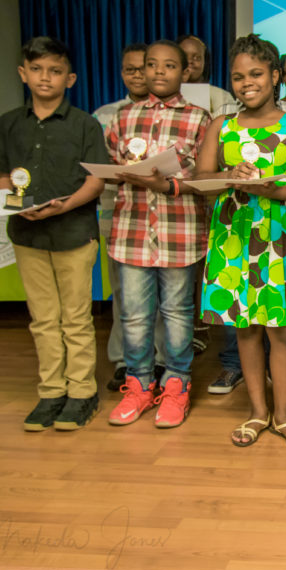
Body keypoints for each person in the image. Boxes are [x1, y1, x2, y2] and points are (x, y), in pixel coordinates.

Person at [0, 36, 107, 431]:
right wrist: (15, 204)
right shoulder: (7, 124)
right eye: (36, 69)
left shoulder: (86, 125)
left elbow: (96, 181)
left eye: (54, 71)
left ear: (70, 79)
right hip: (27, 234)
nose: (45, 77)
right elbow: (5, 178)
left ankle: (82, 392)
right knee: (42, 318)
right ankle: (51, 391)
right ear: (23, 74)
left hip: (74, 232)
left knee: (76, 317)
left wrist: (63, 206)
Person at [196, 34, 286, 449]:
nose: (247, 83)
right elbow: (201, 181)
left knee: (282, 332)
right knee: (245, 330)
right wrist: (229, 174)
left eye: (257, 74)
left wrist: (272, 190)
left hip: (281, 238)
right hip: (233, 237)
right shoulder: (221, 126)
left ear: (276, 76)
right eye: (238, 76)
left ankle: (283, 415)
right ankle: (257, 412)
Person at [105, 39, 210, 428]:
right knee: (134, 315)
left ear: (185, 72)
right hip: (131, 231)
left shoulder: (199, 119)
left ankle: (177, 385)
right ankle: (138, 386)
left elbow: (205, 174)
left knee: (178, 313)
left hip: (179, 231)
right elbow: (111, 164)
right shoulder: (122, 117)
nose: (159, 71)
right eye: (151, 64)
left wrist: (169, 180)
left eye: (169, 65)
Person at [93, 43, 166, 391]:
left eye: (144, 67)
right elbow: (95, 167)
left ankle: (161, 360)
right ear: (121, 73)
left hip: (167, 217)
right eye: (130, 69)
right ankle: (126, 360)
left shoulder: (171, 115)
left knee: (165, 297)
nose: (138, 75)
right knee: (125, 294)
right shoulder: (105, 115)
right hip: (120, 215)